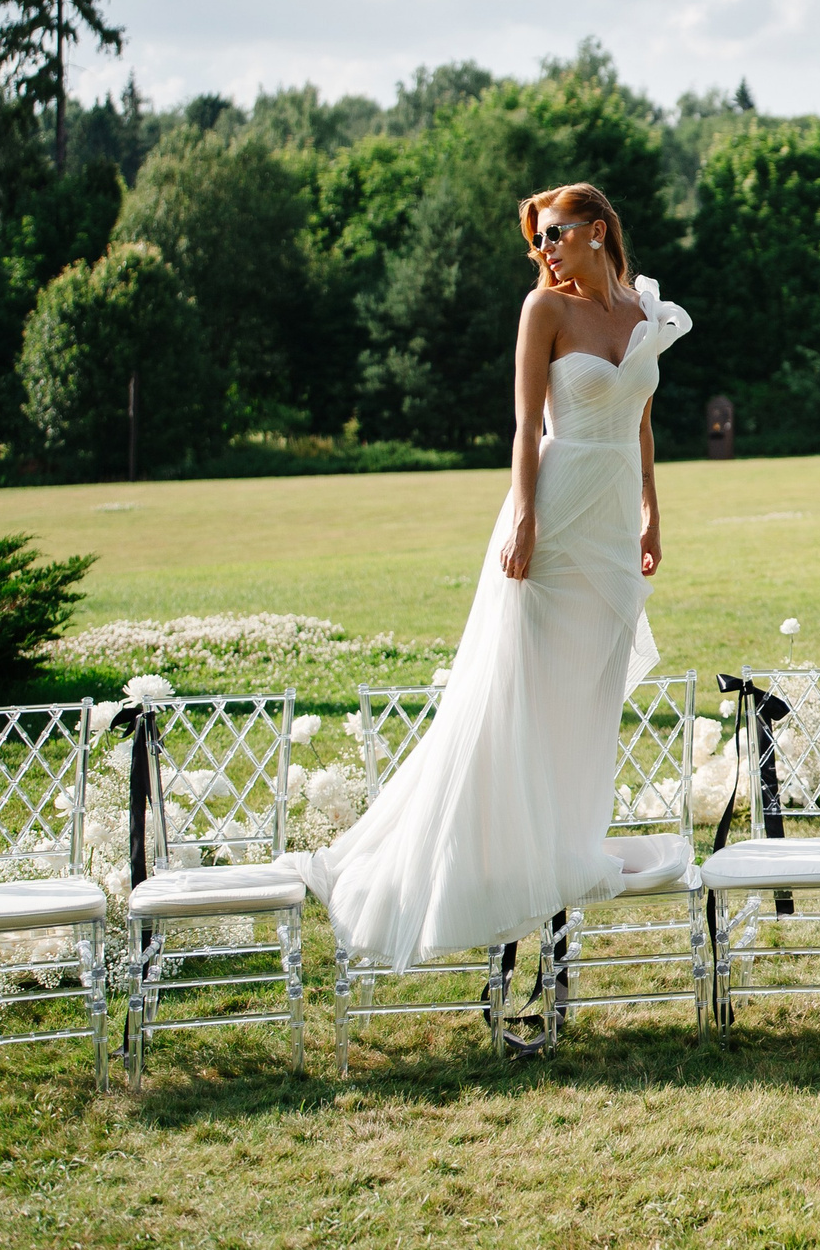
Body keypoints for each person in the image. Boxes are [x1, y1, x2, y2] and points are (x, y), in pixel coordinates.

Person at [286, 182, 691, 969]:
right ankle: (481, 861)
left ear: (599, 232)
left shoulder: (643, 314)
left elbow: (641, 421)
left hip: (611, 529)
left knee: (588, 692)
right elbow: (524, 427)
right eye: (538, 240)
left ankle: (564, 843)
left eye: (557, 235)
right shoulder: (543, 311)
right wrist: (524, 518)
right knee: (515, 690)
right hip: (552, 515)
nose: (545, 250)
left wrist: (651, 509)